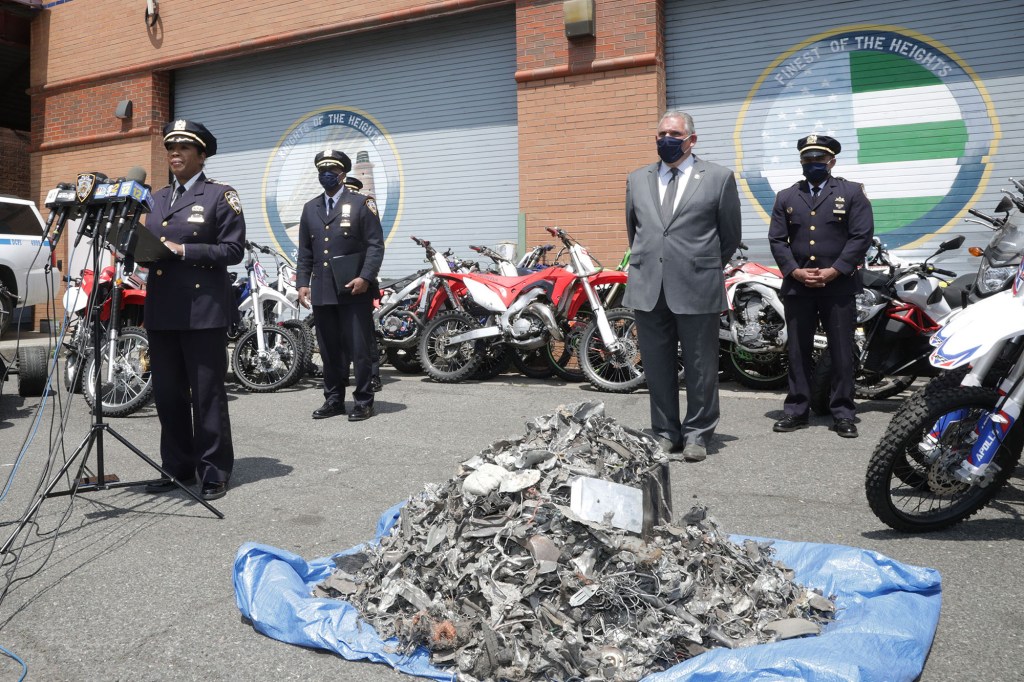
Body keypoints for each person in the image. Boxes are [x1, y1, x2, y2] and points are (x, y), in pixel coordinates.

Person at [624, 110, 742, 463]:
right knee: (657, 365)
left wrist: (698, 264)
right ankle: (664, 432)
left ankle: (698, 434)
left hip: (697, 284)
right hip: (649, 285)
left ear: (692, 139)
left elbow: (730, 235)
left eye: (673, 133)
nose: (665, 139)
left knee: (700, 365)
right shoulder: (637, 178)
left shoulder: (718, 178)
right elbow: (636, 231)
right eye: (660, 134)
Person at [143, 119, 245, 501]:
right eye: (171, 147)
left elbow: (233, 250)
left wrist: (185, 250)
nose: (175, 153)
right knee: (168, 395)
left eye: (184, 147)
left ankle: (214, 469)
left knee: (206, 395)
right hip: (162, 310)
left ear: (202, 155)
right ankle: (177, 467)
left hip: (203, 311)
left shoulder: (220, 196)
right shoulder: (154, 198)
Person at [768, 134, 874, 438]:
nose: (813, 164)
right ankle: (796, 410)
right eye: (807, 159)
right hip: (798, 286)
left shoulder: (851, 192)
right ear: (802, 162)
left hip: (838, 286)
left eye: (819, 159)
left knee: (841, 351)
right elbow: (777, 239)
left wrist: (835, 270)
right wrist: (794, 271)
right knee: (798, 351)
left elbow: (861, 236)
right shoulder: (786, 196)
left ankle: (842, 412)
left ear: (832, 161)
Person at [296, 149, 384, 420]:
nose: (326, 176)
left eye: (331, 172)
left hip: (353, 289)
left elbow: (375, 246)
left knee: (359, 349)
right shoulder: (311, 207)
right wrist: (302, 283)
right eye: (322, 171)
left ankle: (363, 401)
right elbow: (306, 250)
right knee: (329, 350)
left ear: (342, 174)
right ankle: (333, 400)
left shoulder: (361, 203)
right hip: (322, 290)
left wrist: (365, 277)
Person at [342, 174, 383, 393]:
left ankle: (373, 376)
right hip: (339, 280)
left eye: (352, 191)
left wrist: (367, 275)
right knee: (341, 334)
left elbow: (373, 245)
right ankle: (344, 374)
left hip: (361, 278)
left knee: (365, 334)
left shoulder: (365, 206)